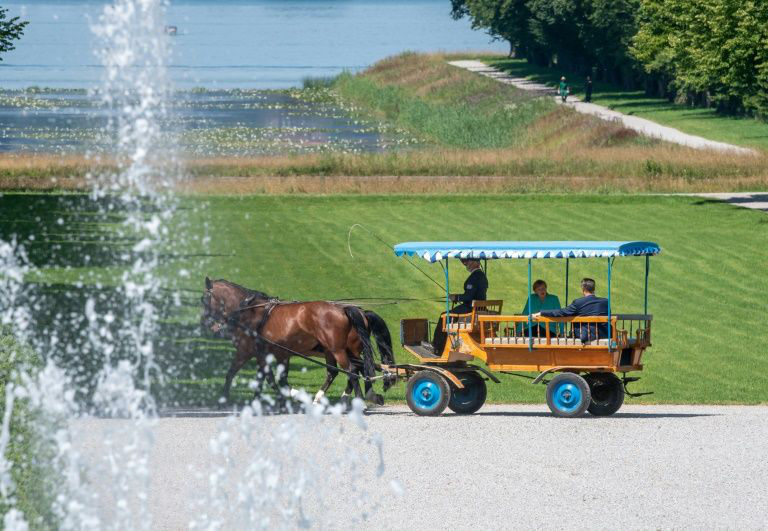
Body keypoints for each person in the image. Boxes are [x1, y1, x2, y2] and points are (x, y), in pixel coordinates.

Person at [431, 258, 488, 353]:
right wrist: (457, 297)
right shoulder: (482, 276)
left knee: (444, 316)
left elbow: (469, 296)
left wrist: (456, 297)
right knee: (447, 315)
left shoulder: (475, 277)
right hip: (478, 308)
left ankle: (437, 346)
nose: (465, 264)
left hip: (469, 309)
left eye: (468, 262)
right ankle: (444, 344)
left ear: (476, 262)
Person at [532, 278, 608, 343]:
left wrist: (541, 313)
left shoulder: (578, 302)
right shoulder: (605, 301)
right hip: (604, 334)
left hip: (585, 336)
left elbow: (562, 312)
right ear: (593, 288)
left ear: (583, 289)